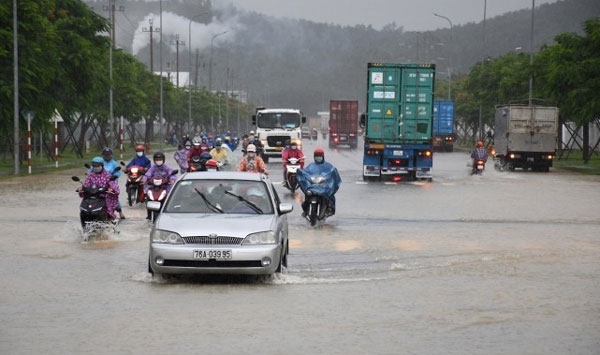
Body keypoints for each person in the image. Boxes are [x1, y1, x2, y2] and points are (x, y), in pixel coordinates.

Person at [298, 148, 341, 217]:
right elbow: (305, 173)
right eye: (316, 155)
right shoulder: (311, 166)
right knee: (307, 194)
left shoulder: (328, 166)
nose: (318, 157)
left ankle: (329, 208)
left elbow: (332, 173)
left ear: (323, 156)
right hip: (313, 186)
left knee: (330, 196)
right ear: (314, 156)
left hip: (323, 186)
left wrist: (328, 178)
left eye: (319, 155)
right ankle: (306, 210)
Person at [100, 147, 126, 219]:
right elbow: (92, 170)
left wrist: (114, 176)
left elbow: (118, 173)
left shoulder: (114, 163)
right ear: (103, 155)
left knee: (113, 196)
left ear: (111, 155)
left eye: (108, 155)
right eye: (105, 155)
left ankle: (120, 211)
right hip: (100, 182)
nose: (107, 156)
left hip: (111, 182)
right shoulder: (100, 162)